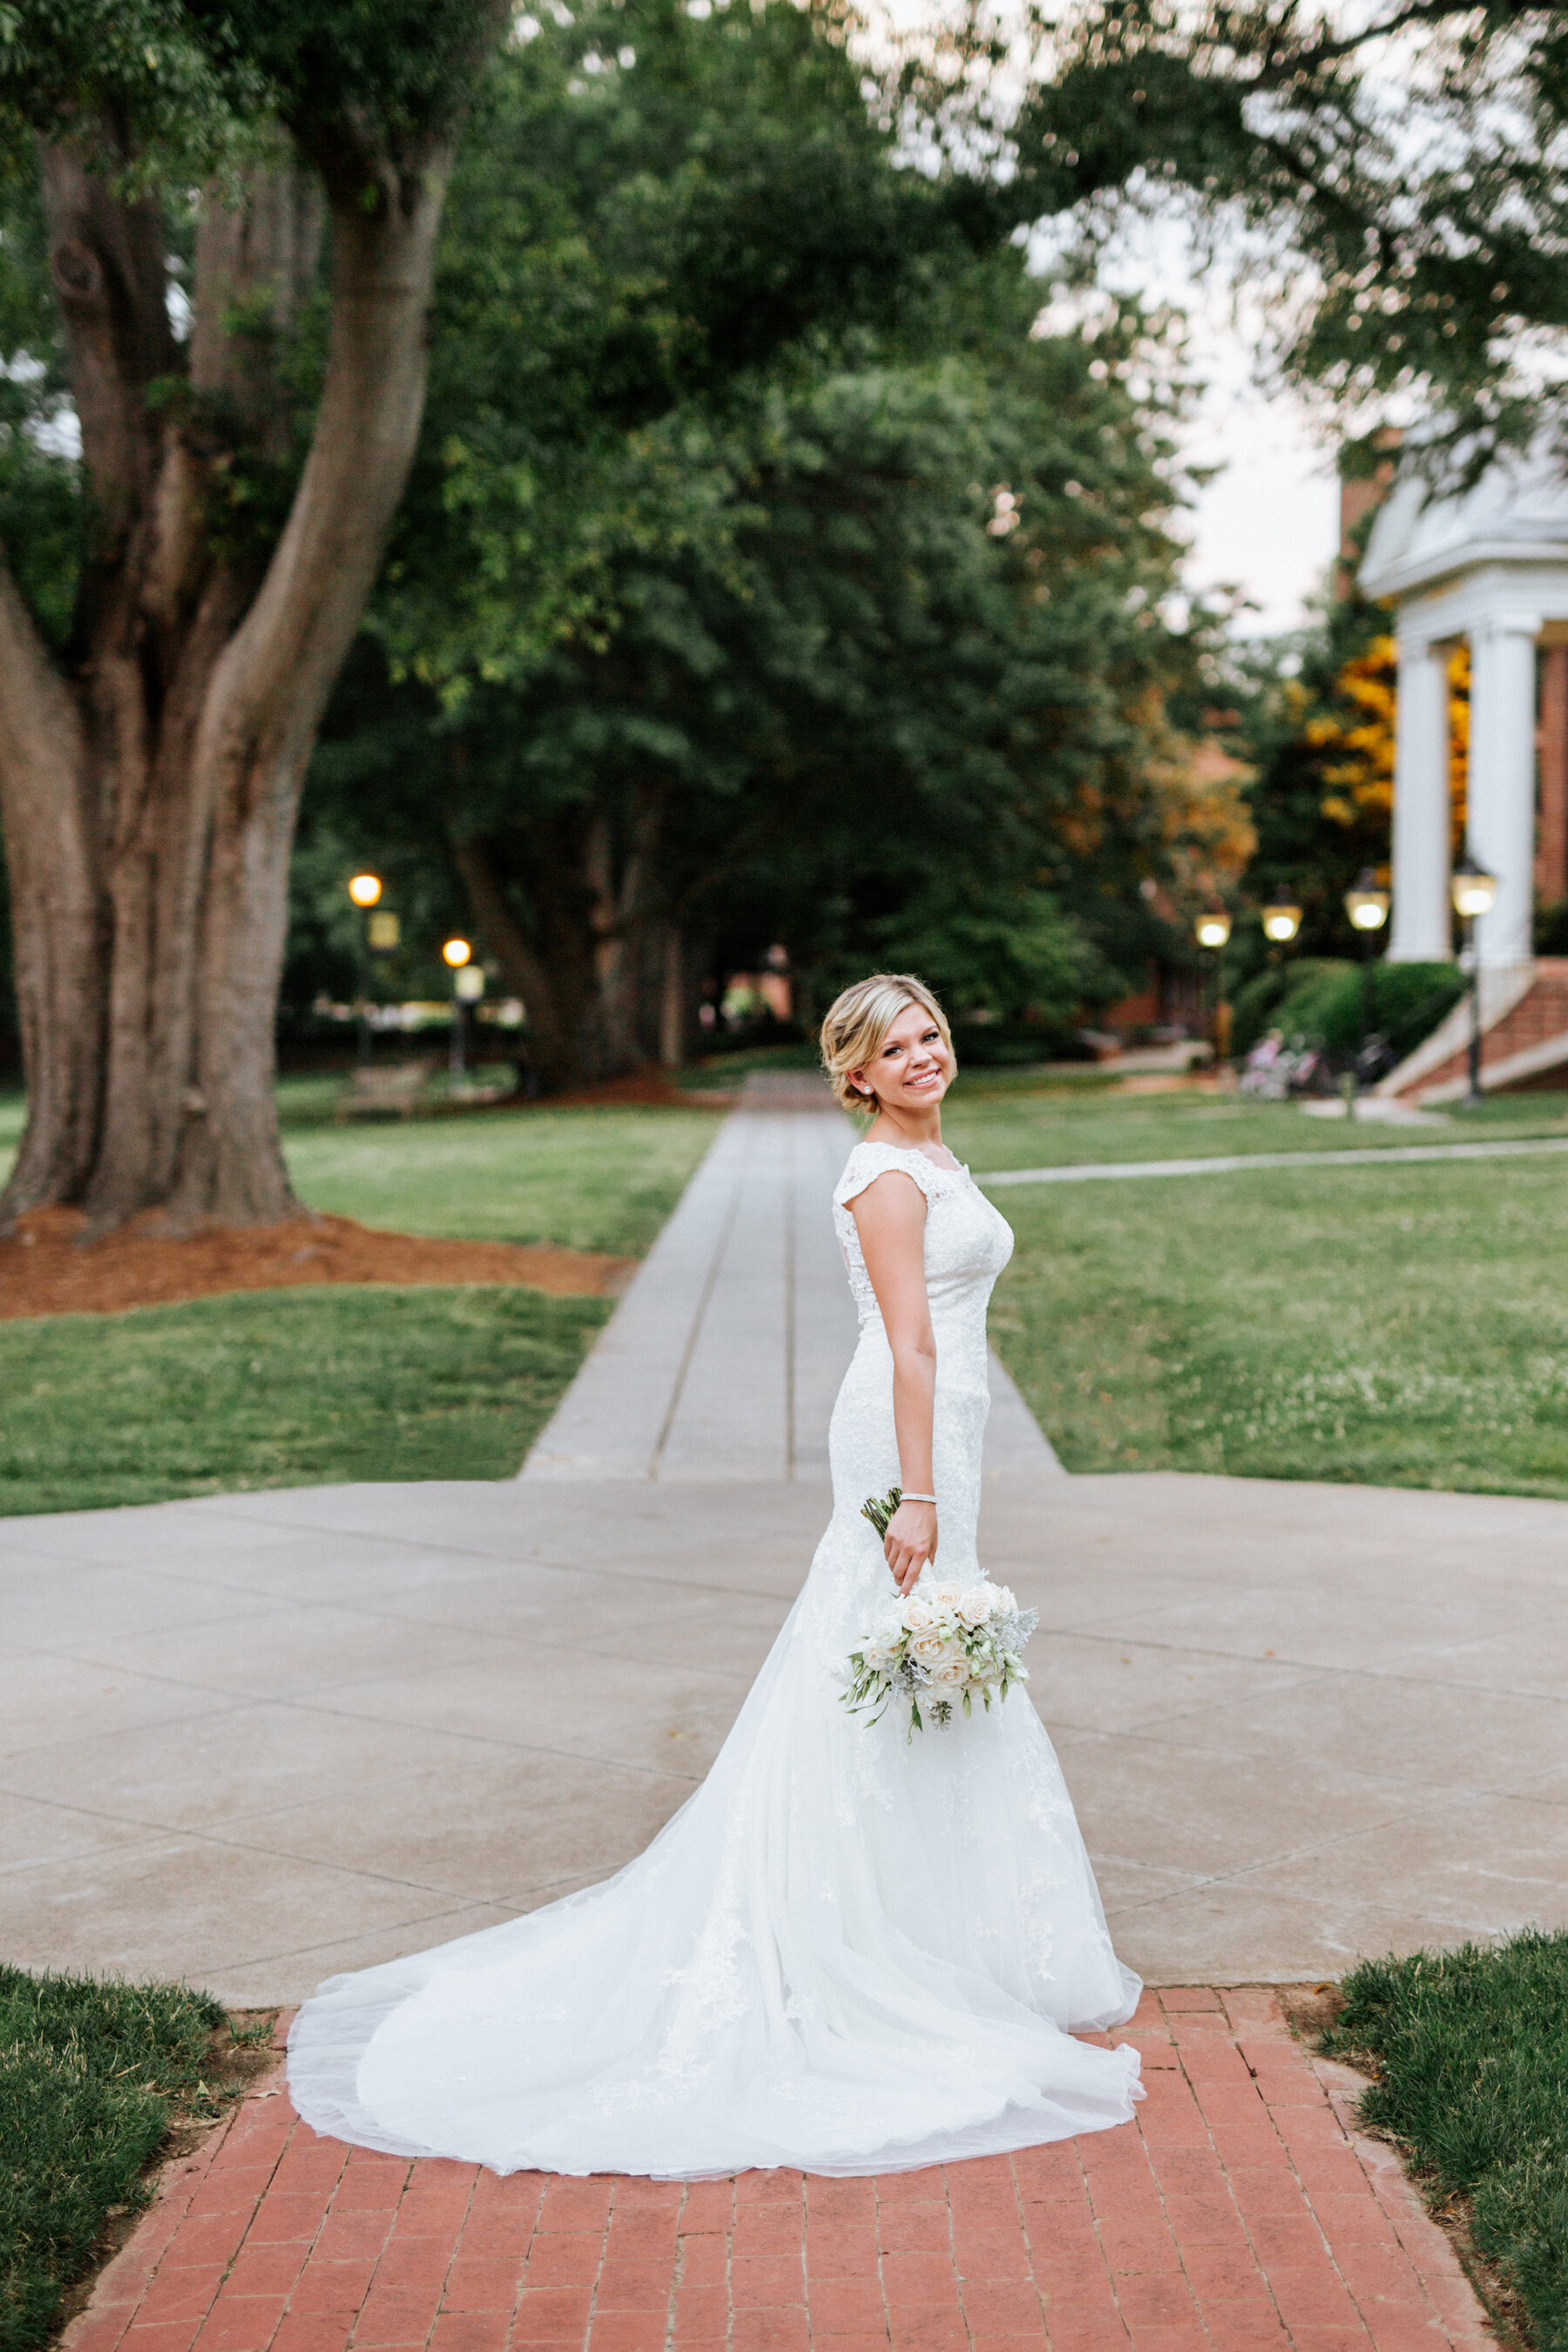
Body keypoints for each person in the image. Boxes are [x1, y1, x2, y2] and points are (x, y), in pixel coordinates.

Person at [287, 971, 1143, 2177]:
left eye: (931, 1034)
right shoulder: (887, 1178)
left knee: (921, 1660)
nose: (922, 1056)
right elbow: (906, 1342)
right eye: (894, 1048)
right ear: (854, 1076)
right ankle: (862, 1939)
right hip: (908, 1442)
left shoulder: (938, 1161)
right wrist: (923, 1496)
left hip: (944, 1428)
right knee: (894, 1645)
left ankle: (942, 1935)